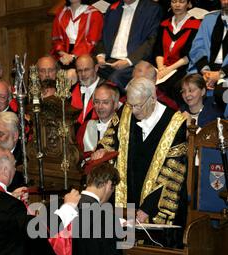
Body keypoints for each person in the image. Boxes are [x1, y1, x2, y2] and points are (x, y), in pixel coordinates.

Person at [114, 77, 187, 243]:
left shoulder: (175, 124)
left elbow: (172, 172)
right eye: (130, 105)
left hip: (155, 207)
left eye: (137, 106)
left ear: (153, 99)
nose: (133, 111)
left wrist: (148, 208)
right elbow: (110, 140)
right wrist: (101, 151)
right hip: (126, 203)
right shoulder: (126, 112)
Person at [96, 0, 162, 90]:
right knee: (88, 68)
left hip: (134, 62)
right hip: (108, 60)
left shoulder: (152, 9)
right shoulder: (113, 8)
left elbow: (151, 41)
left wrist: (128, 61)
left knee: (115, 79)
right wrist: (101, 55)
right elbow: (103, 36)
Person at [154, 0, 200, 101]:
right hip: (162, 66)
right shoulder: (164, 24)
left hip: (182, 67)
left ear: (189, 4)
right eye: (174, 1)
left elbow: (190, 55)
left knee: (168, 86)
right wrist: (161, 68)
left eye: (182, 1)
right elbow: (158, 50)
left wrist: (168, 70)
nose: (177, 5)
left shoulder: (196, 25)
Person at [188, 0, 228, 89]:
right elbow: (197, 47)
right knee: (185, 87)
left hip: (226, 72)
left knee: (221, 93)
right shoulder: (209, 19)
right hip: (206, 67)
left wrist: (220, 74)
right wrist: (205, 72)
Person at [51, 0, 103, 67]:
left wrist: (72, 56)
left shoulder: (94, 14)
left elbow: (91, 42)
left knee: (70, 74)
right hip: (63, 53)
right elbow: (57, 40)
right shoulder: (61, 13)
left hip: (86, 54)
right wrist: (63, 54)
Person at [76, 83, 120, 160]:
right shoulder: (85, 126)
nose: (100, 107)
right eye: (97, 102)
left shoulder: (122, 127)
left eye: (105, 102)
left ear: (115, 104)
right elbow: (77, 156)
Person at [71, 54, 102, 126]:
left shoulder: (109, 90)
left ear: (96, 68)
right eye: (79, 71)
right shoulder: (71, 92)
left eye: (87, 69)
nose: (83, 74)